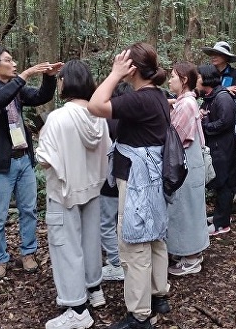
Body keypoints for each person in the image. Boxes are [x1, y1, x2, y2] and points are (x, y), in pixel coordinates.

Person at [88, 43, 170, 329]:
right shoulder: (157, 96)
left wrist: (113, 74)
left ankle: (139, 315)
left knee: (134, 243)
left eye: (123, 62)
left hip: (137, 181)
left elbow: (95, 105)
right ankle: (159, 296)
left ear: (132, 68)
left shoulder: (141, 99)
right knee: (155, 236)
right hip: (152, 178)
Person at [0, 45, 62, 282]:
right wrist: (25, 75)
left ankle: (28, 253)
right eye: (8, 60)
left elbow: (41, 96)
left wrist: (48, 78)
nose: (14, 64)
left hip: (23, 160)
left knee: (28, 210)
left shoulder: (16, 89)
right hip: (0, 164)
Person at [36, 60, 111, 329]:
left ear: (65, 83)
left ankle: (77, 308)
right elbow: (106, 151)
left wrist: (43, 135)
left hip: (64, 191)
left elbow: (45, 159)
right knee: (91, 241)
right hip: (92, 187)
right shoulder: (98, 116)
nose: (58, 83)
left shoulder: (58, 118)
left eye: (59, 79)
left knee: (65, 246)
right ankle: (94, 290)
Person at [166, 62, 210, 276]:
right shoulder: (185, 102)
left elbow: (175, 137)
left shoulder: (186, 105)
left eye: (173, 76)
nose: (170, 80)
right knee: (187, 209)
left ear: (184, 80)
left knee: (187, 210)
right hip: (189, 165)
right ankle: (187, 253)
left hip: (187, 166)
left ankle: (191, 258)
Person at [197, 64, 236, 236]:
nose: (197, 81)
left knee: (224, 184)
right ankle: (220, 216)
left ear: (207, 79)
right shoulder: (209, 97)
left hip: (223, 148)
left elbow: (225, 122)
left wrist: (204, 125)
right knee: (218, 183)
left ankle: (222, 223)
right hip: (215, 147)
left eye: (199, 77)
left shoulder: (222, 97)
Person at [202, 40, 236, 203]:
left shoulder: (235, 75)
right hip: (211, 113)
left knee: (231, 153)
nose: (213, 57)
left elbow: (235, 94)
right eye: (212, 54)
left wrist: (220, 90)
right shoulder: (209, 72)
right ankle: (218, 187)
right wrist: (224, 89)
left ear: (226, 57)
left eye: (217, 54)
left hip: (229, 116)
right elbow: (203, 91)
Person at [101, 82, 133, 282]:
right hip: (133, 178)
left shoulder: (108, 120)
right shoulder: (139, 118)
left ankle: (115, 262)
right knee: (126, 220)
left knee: (106, 222)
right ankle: (127, 260)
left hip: (110, 179)